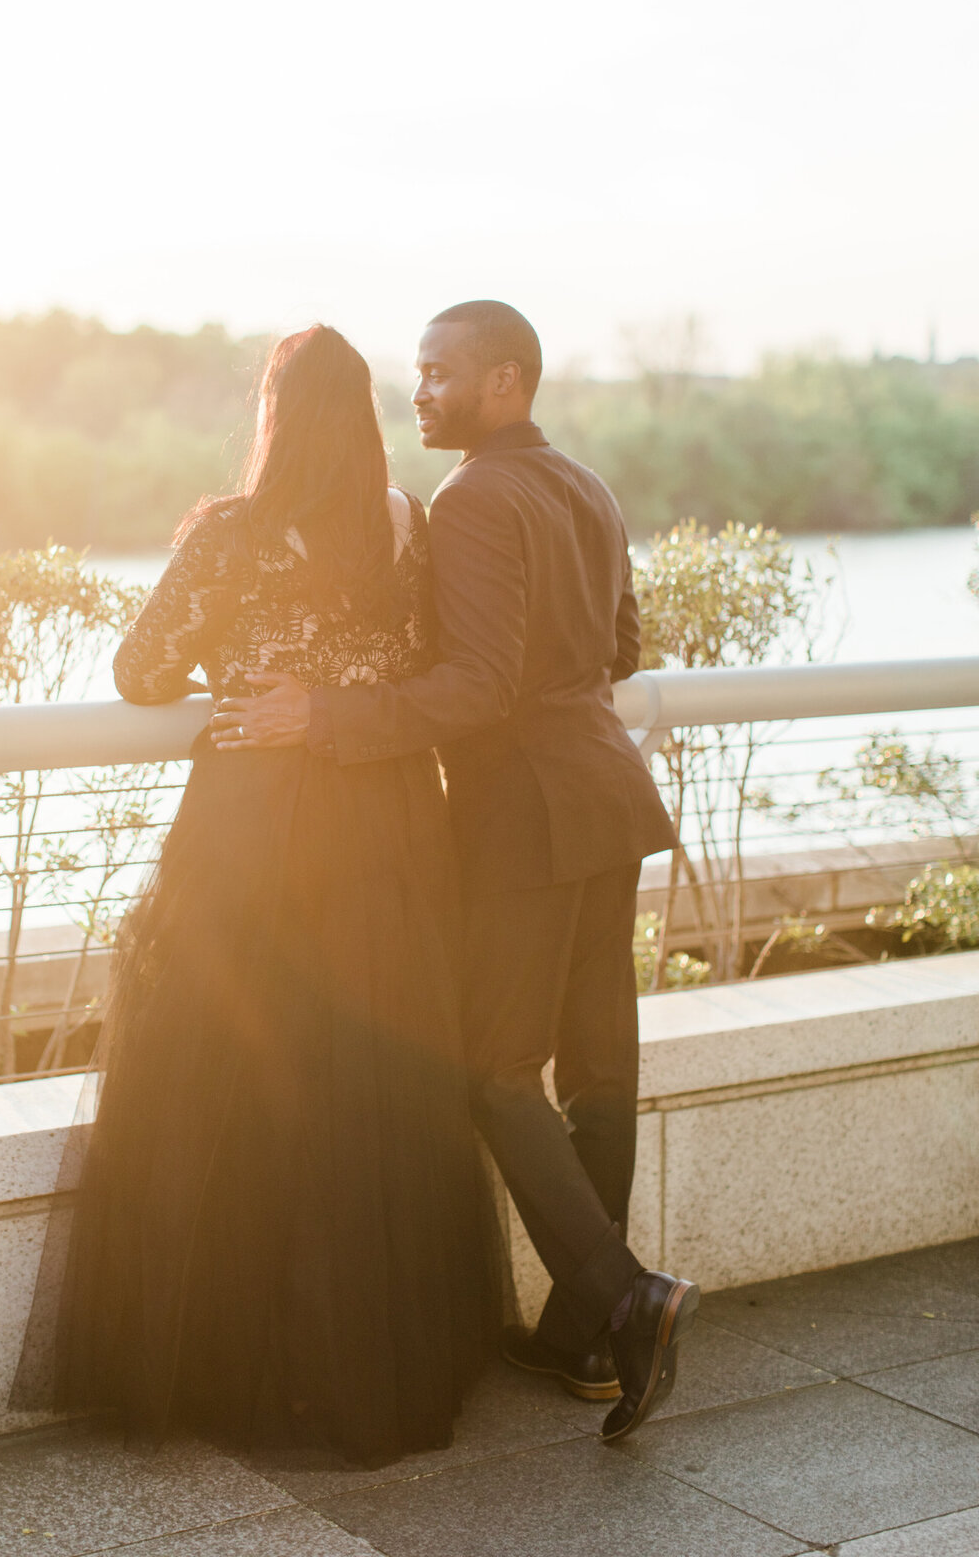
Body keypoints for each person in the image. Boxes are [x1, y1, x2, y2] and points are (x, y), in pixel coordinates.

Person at [212, 300, 699, 1442]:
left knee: (490, 1071)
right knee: (596, 1072)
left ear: (506, 382)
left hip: (527, 813)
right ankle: (586, 1339)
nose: (419, 394)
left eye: (440, 376)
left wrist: (322, 711)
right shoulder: (587, 486)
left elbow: (478, 688)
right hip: (608, 794)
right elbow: (618, 651)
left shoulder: (474, 497)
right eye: (417, 375)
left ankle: (628, 1300)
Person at [35, 325, 504, 1467]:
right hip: (390, 817)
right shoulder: (402, 521)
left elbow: (141, 671)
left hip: (256, 823)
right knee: (373, 1089)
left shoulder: (230, 534)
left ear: (275, 415)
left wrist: (237, 669)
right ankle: (366, 1371)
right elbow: (427, 655)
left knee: (233, 1078)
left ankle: (230, 1366)